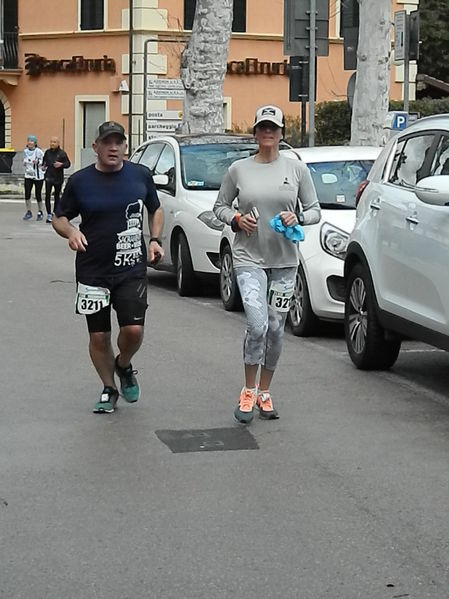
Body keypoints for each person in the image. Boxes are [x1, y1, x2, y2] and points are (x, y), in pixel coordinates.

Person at [213, 104, 321, 424]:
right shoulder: (238, 170)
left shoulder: (296, 170)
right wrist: (235, 219)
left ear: (282, 133)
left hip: (285, 262)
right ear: (256, 133)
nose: (268, 133)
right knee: (257, 324)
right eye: (262, 127)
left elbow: (315, 210)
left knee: (276, 329)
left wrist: (297, 216)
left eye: (273, 128)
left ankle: (265, 391)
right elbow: (219, 207)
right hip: (248, 259)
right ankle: (248, 390)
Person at [52, 121, 164, 414]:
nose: (113, 147)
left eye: (119, 142)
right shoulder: (80, 181)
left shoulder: (140, 175)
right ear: (96, 147)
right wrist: (71, 232)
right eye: (107, 142)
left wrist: (154, 239)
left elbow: (155, 208)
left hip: (130, 268)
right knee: (99, 335)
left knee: (134, 330)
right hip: (92, 270)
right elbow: (59, 217)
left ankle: (123, 364)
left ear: (125, 147)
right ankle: (109, 387)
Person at [42, 136, 71, 223]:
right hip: (49, 176)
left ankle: (55, 213)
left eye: (54, 142)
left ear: (58, 143)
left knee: (57, 196)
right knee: (47, 195)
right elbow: (44, 162)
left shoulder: (62, 153)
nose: (52, 144)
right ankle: (48, 214)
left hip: (58, 177)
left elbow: (68, 164)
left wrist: (61, 164)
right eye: (51, 142)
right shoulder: (47, 152)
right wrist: (43, 166)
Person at [22, 134, 45, 221]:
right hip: (28, 175)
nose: (30, 143)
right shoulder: (25, 151)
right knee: (27, 193)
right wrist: (24, 162)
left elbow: (44, 162)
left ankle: (40, 211)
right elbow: (25, 159)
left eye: (31, 141)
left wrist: (38, 162)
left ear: (35, 143)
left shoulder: (39, 151)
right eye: (28, 141)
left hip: (38, 176)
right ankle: (28, 211)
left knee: (38, 194)